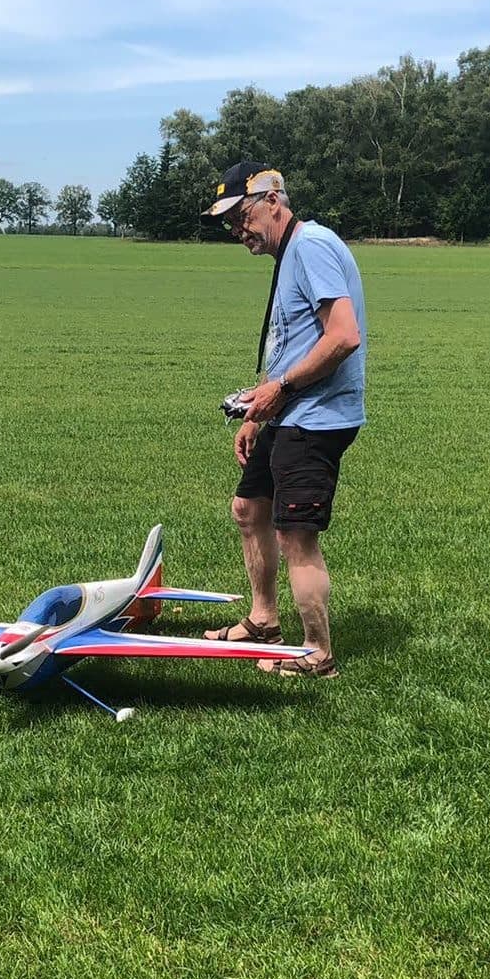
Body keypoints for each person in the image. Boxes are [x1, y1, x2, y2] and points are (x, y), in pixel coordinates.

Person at [201, 162, 366, 677]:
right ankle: (263, 621)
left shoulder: (311, 245)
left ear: (272, 200)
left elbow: (342, 336)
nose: (237, 231)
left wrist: (282, 390)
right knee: (249, 508)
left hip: (316, 415)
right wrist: (259, 413)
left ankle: (318, 654)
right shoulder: (292, 250)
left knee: (296, 533)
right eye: (229, 223)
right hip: (290, 411)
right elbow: (295, 339)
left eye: (241, 216)